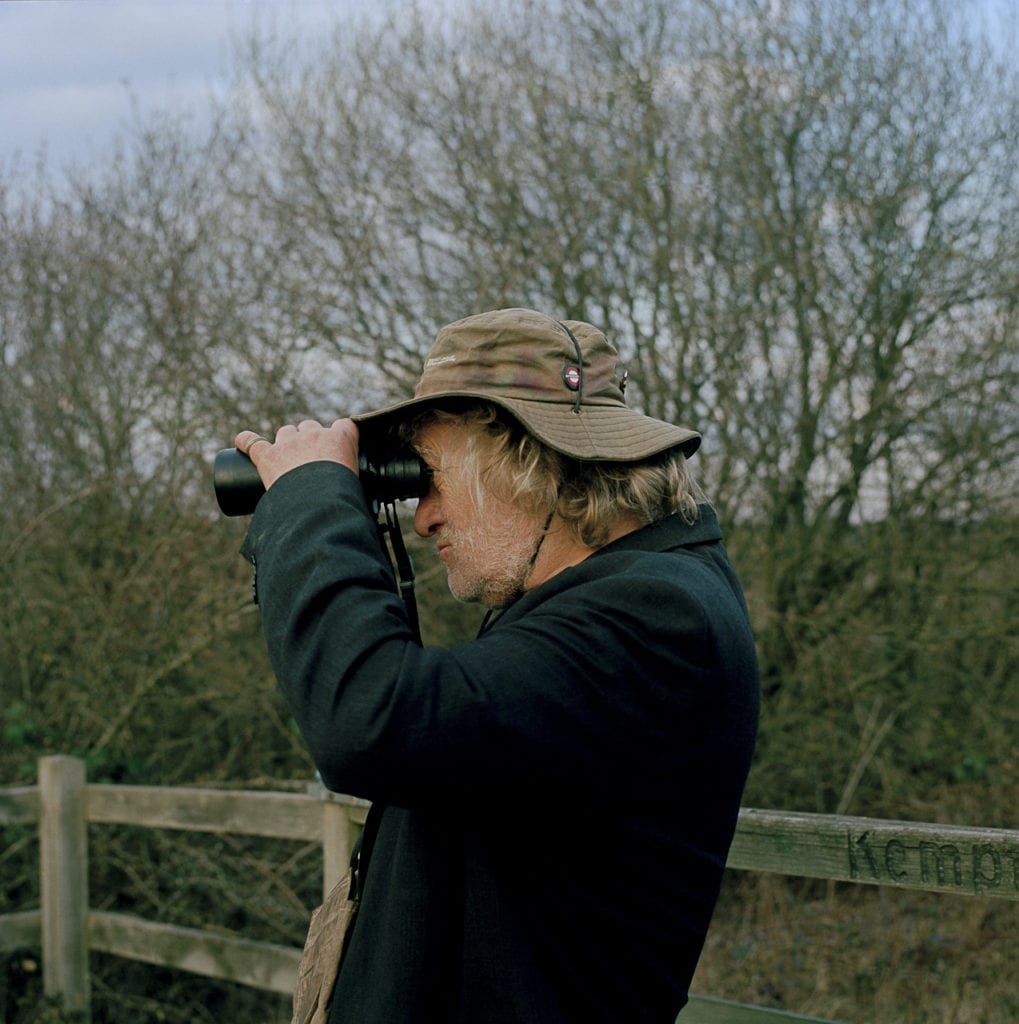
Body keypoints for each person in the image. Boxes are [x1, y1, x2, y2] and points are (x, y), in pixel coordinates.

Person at [235, 307, 759, 1023]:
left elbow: (372, 722)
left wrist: (310, 504)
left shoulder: (655, 618)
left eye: (432, 477)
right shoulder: (610, 602)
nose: (421, 518)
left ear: (532, 465)